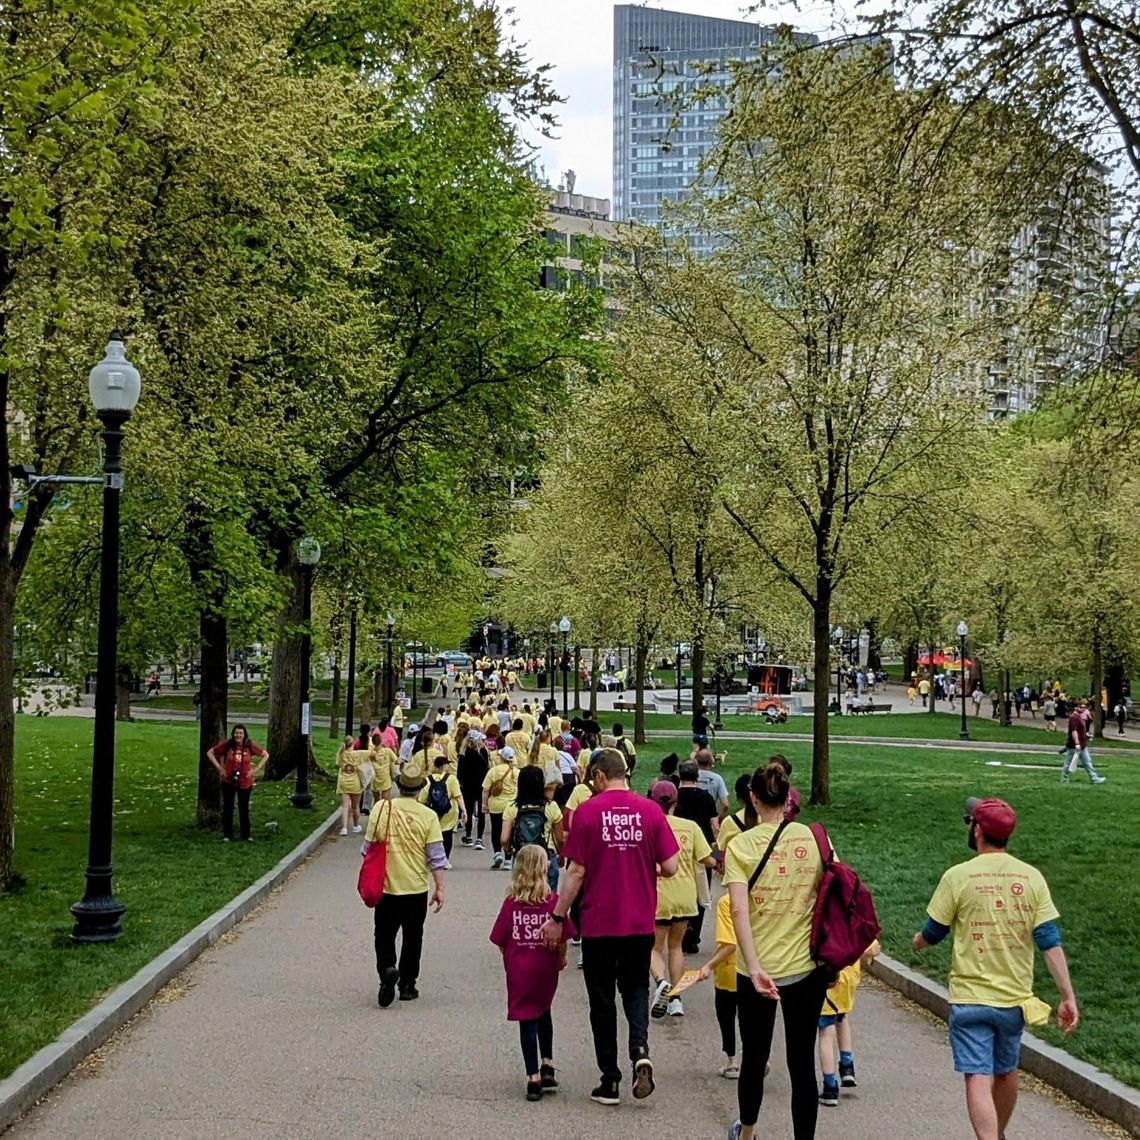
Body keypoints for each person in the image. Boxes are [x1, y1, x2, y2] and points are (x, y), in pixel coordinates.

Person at [912, 797, 1079, 1140]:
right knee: (1006, 1070)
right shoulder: (1031, 877)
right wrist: (1067, 996)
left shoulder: (958, 876)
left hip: (970, 997)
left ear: (977, 830)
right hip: (1013, 1000)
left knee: (977, 1075)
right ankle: (998, 1134)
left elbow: (934, 931)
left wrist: (918, 943)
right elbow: (1048, 940)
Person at [540, 749, 679, 1106]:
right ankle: (640, 1049)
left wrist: (558, 916)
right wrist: (647, 865)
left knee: (601, 1000)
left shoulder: (588, 812)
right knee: (635, 988)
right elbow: (672, 865)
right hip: (639, 920)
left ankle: (610, 1080)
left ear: (600, 776)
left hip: (600, 922)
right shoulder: (651, 811)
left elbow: (576, 871)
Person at [723, 761, 827, 1140]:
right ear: (788, 798)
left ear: (752, 798)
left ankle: (747, 1132)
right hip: (806, 968)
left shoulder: (740, 846)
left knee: (754, 1057)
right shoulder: (814, 838)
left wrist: (753, 967)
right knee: (802, 1063)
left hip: (756, 969)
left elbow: (738, 910)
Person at [490, 844, 577, 1101]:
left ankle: (533, 1077)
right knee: (544, 1010)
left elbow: (500, 939)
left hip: (519, 968)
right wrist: (561, 958)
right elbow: (564, 936)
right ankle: (547, 1062)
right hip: (545, 966)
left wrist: (510, 957)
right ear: (542, 869)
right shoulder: (552, 903)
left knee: (526, 1019)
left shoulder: (511, 904)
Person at [363, 755, 447, 1006]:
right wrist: (440, 888)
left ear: (399, 785)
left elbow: (367, 849)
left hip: (387, 887)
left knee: (384, 934)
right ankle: (408, 984)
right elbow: (436, 857)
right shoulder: (428, 816)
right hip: (416, 887)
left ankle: (387, 970)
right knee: (413, 936)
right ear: (420, 789)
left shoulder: (381, 809)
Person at [648, 780, 714, 1019]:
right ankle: (676, 999)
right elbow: (707, 859)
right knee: (676, 948)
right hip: (685, 896)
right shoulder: (690, 827)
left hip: (658, 896)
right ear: (675, 803)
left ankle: (661, 982)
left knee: (654, 948)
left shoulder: (649, 826)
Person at [817, 939, 880, 1106]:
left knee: (825, 1031)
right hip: (849, 978)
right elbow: (872, 947)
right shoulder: (852, 921)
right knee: (842, 1017)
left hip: (829, 978)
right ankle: (847, 1066)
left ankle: (830, 1086)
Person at [675, 758, 719, 953]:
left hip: (678, 848)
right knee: (701, 892)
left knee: (679, 889)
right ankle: (693, 936)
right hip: (701, 850)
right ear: (697, 776)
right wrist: (717, 850)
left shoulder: (675, 796)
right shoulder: (706, 797)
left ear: (680, 775)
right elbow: (715, 826)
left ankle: (679, 931)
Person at [698, 892, 742, 1078]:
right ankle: (759, 1058)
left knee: (726, 1015)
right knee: (752, 1017)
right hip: (758, 968)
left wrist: (709, 966)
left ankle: (732, 1061)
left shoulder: (727, 902)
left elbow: (729, 944)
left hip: (730, 970)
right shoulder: (760, 897)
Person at [502, 765, 564, 889]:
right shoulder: (551, 806)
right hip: (546, 857)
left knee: (522, 893)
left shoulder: (512, 807)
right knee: (549, 894)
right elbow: (560, 838)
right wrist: (561, 855)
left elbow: (504, 839)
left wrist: (509, 850)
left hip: (522, 857)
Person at [206, 725, 269, 842]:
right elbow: (210, 753)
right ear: (233, 734)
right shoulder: (228, 744)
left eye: (240, 733)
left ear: (244, 735)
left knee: (244, 808)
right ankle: (227, 835)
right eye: (236, 733)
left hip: (245, 781)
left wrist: (256, 769)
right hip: (228, 780)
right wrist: (220, 768)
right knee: (228, 807)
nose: (238, 735)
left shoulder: (249, 745)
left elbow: (265, 755)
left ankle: (246, 835)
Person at [419, 752, 465, 860]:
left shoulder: (428, 779)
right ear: (444, 766)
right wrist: (464, 810)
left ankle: (433, 858)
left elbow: (422, 799)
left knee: (433, 837)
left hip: (432, 813)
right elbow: (458, 796)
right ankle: (445, 859)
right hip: (449, 812)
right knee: (447, 836)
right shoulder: (451, 779)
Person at [482, 744, 519, 869]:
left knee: (496, 830)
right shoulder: (517, 772)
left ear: (501, 758)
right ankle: (508, 859)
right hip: (512, 806)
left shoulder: (494, 771)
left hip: (496, 805)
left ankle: (497, 853)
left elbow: (485, 789)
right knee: (510, 832)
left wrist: (484, 804)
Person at [1059, 698, 1106, 784]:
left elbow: (1079, 730)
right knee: (1069, 763)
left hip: (1082, 745)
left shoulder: (1079, 717)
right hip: (1074, 746)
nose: (1083, 709)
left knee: (1087, 762)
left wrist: (1085, 735)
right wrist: (1077, 743)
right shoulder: (1074, 718)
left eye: (1084, 707)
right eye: (1081, 707)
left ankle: (1094, 778)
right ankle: (1064, 779)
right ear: (1076, 707)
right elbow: (1074, 731)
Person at [334, 736, 365, 837]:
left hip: (344, 783)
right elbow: (371, 754)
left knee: (345, 807)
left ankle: (344, 828)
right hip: (355, 783)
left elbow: (338, 764)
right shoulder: (357, 754)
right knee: (355, 806)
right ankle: (356, 826)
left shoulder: (341, 754)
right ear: (353, 744)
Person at [695, 747, 729, 817]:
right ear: (710, 762)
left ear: (696, 762)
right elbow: (725, 804)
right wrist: (719, 819)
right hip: (710, 817)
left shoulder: (689, 776)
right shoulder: (717, 779)